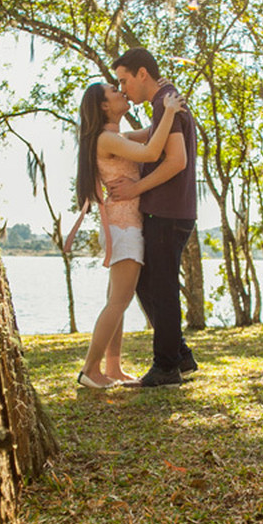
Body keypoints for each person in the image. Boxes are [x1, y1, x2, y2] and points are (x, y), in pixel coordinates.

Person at [69, 81, 186, 389]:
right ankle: (89, 370)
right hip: (124, 227)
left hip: (123, 225)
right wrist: (170, 111)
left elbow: (152, 132)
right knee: (118, 301)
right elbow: (151, 151)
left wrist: (165, 108)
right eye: (114, 90)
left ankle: (113, 367)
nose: (121, 91)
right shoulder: (107, 139)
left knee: (116, 299)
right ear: (104, 105)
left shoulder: (114, 137)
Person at [106, 48, 198, 387]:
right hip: (168, 209)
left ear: (142, 74)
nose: (123, 88)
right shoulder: (166, 100)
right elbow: (153, 134)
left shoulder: (165, 101)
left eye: (124, 80)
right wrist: (116, 139)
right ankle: (179, 355)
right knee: (147, 283)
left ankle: (166, 367)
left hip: (168, 209)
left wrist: (135, 189)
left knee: (161, 287)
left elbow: (176, 160)